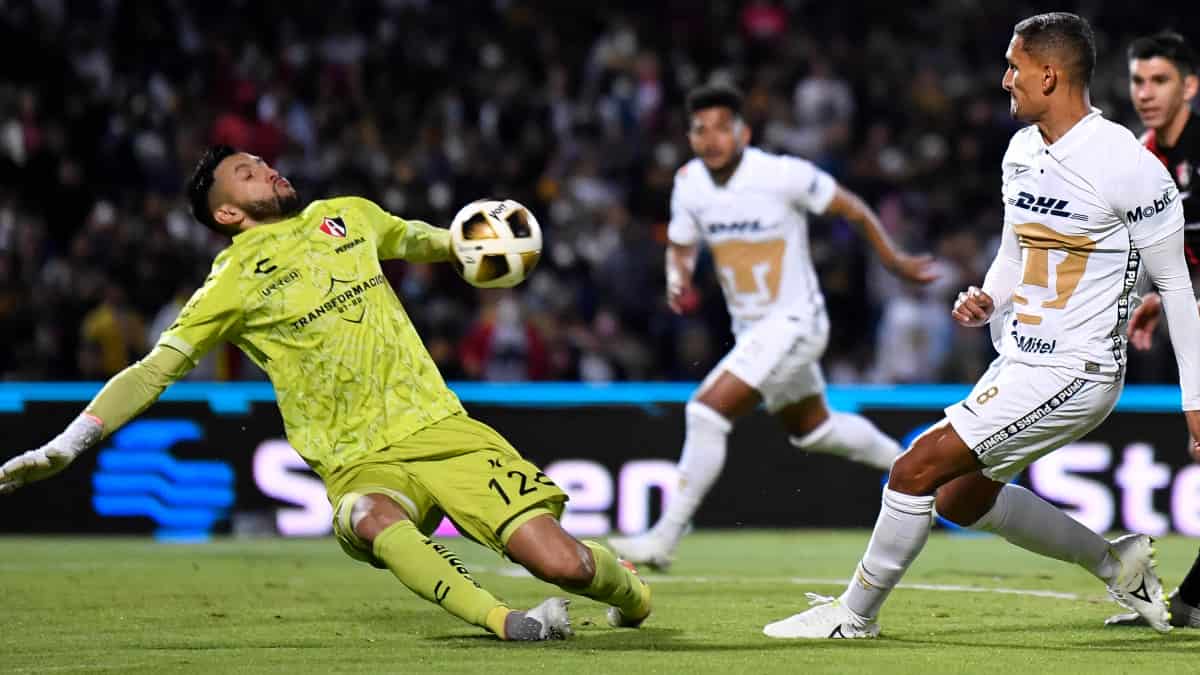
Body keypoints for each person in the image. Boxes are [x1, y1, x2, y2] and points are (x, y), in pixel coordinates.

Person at [0, 145, 651, 641]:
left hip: (443, 429)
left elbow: (408, 237)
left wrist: (461, 244)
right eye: (247, 173)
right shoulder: (230, 283)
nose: (266, 170)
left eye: (262, 161)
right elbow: (151, 370)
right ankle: (505, 621)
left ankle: (630, 593)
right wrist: (69, 441)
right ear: (227, 212)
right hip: (355, 461)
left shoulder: (346, 216)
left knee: (563, 564)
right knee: (371, 515)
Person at [761, 12, 1200, 639]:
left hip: (1078, 370)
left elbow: (1179, 289)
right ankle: (1116, 563)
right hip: (1020, 357)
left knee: (914, 469)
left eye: (1014, 66)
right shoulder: (1021, 150)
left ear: (1048, 75)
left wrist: (1195, 401)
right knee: (959, 498)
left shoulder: (1129, 167)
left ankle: (853, 616)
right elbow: (1015, 251)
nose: (1004, 79)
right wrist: (991, 297)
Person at [608, 84, 937, 570]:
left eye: (723, 127)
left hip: (797, 322)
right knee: (815, 430)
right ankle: (910, 467)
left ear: (743, 131)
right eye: (701, 129)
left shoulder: (783, 175)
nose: (712, 138)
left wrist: (894, 260)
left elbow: (854, 207)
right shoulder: (689, 183)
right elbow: (680, 244)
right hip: (755, 331)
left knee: (705, 412)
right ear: (690, 136)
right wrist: (677, 278)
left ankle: (665, 537)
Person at [1107, 31, 1200, 630]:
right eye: (1139, 80)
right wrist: (1154, 298)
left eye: (1159, 80)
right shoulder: (1144, 159)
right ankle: (1191, 602)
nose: (1145, 92)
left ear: (1189, 85)